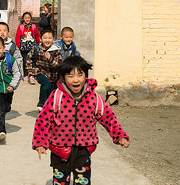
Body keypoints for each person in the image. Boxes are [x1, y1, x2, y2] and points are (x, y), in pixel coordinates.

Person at [32, 56, 130, 185]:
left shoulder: (93, 98)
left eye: (80, 75)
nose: (76, 80)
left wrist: (120, 136)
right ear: (63, 77)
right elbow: (43, 120)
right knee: (60, 183)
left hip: (84, 150)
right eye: (70, 76)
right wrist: (40, 142)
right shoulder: (56, 96)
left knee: (83, 183)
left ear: (86, 76)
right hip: (59, 150)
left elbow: (109, 117)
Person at [26, 28, 61, 110]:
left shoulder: (56, 51)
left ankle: (46, 111)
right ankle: (41, 102)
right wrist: (30, 71)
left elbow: (58, 65)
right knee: (46, 85)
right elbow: (28, 59)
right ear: (41, 39)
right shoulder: (36, 49)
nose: (47, 40)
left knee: (51, 94)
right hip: (40, 72)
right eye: (45, 38)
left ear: (53, 39)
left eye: (50, 38)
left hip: (53, 75)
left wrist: (50, 59)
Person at [15, 12, 40, 83]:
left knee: (33, 61)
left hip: (32, 46)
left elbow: (37, 35)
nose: (27, 19)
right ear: (23, 19)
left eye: (28, 18)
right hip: (23, 46)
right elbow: (17, 37)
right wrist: (18, 46)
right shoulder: (20, 27)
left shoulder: (34, 27)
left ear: (30, 18)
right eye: (26, 18)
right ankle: (25, 75)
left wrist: (39, 43)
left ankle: (32, 76)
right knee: (25, 61)